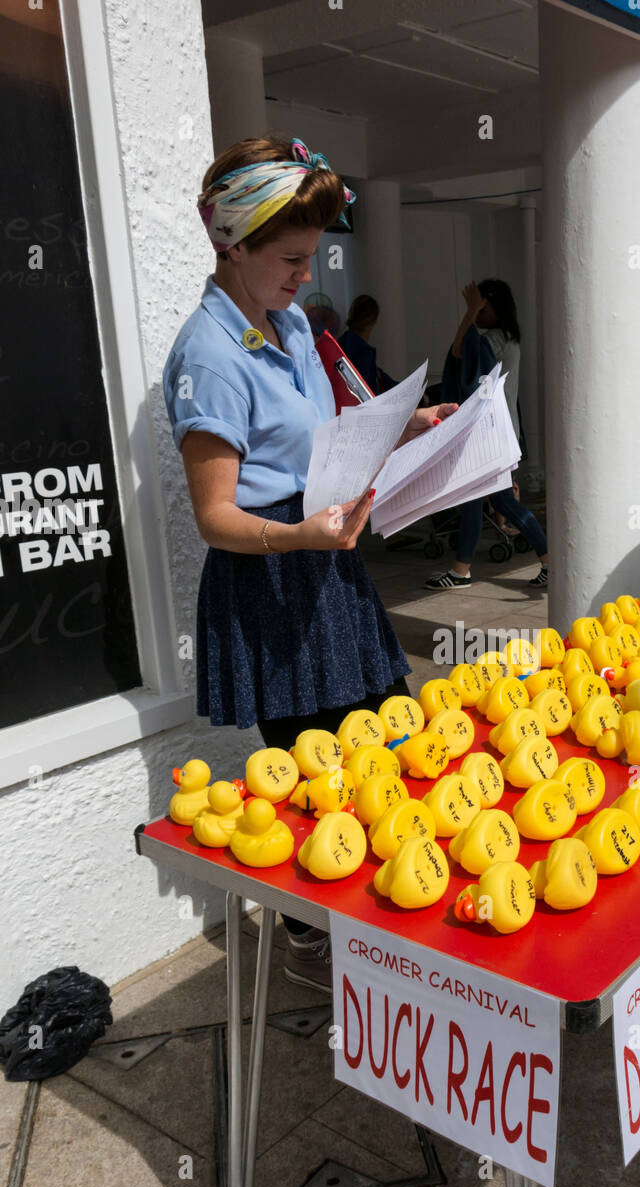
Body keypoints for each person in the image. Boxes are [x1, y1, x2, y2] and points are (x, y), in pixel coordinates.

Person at [163, 133, 455, 992]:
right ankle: (314, 940)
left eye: (313, 256)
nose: (305, 275)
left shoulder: (288, 321)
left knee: (391, 745)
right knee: (317, 779)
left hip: (328, 563)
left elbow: (317, 436)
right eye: (289, 258)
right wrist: (300, 535)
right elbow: (216, 517)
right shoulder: (207, 355)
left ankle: (393, 926)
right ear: (233, 244)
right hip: (273, 580)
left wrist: (403, 426)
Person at [425, 279, 549, 590]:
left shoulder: (494, 340)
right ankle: (463, 569)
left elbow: (459, 354)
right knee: (495, 501)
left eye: (484, 308)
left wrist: (469, 311)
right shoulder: (509, 338)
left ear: (496, 308)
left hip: (487, 434)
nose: (479, 314)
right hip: (500, 432)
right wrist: (473, 310)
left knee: (489, 501)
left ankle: (463, 570)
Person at [338, 294, 397, 394]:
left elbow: (380, 376)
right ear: (374, 320)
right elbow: (365, 393)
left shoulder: (340, 343)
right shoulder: (364, 352)